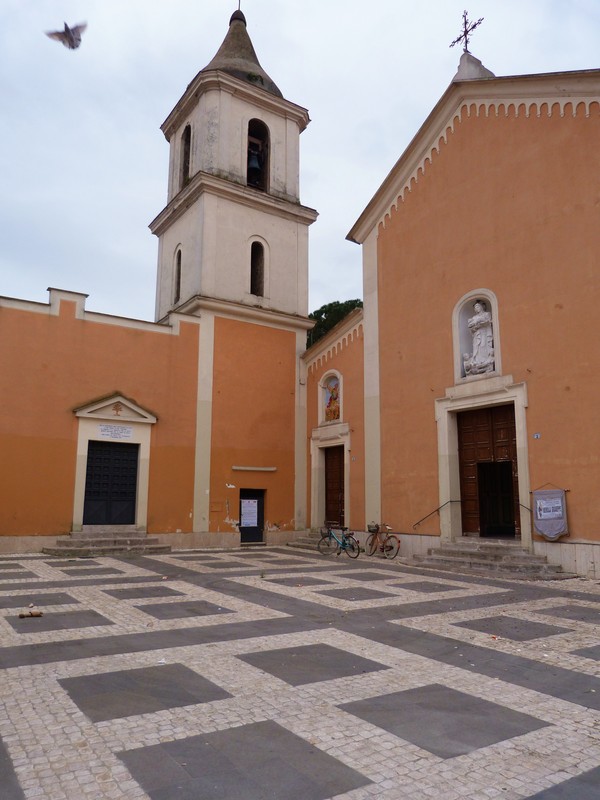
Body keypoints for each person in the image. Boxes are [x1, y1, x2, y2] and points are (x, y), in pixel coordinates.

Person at [463, 301, 494, 375]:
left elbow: (488, 321)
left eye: (477, 307)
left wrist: (479, 322)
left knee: (484, 346)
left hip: (485, 333)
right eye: (475, 308)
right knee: (477, 347)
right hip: (477, 334)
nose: (476, 309)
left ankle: (485, 361)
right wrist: (474, 327)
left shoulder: (487, 314)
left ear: (481, 307)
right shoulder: (474, 317)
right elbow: (471, 328)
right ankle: (477, 362)